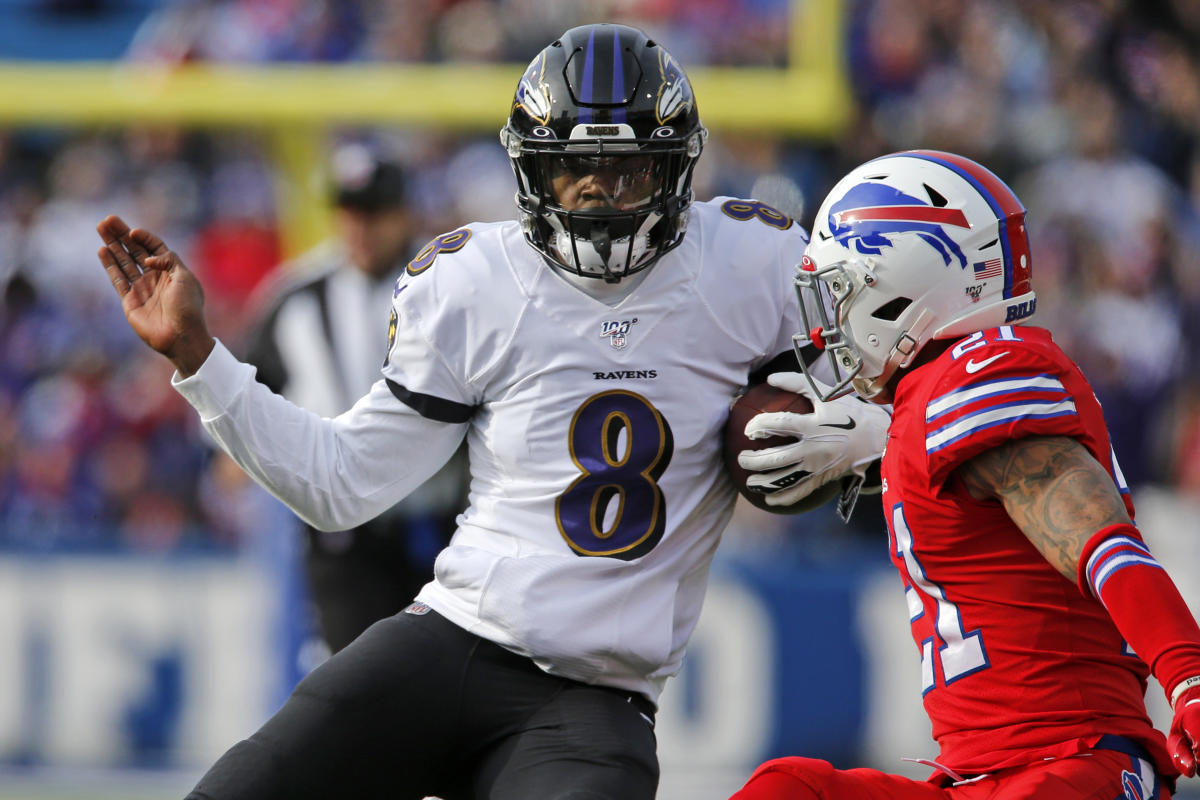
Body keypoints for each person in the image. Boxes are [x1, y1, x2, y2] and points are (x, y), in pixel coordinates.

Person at [95, 24, 890, 800]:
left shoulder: (753, 267)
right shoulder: (477, 281)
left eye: (625, 171)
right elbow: (338, 485)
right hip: (447, 644)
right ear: (529, 171)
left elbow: (891, 392)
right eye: (575, 171)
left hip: (594, 698)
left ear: (676, 168)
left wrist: (865, 433)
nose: (599, 198)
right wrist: (198, 355)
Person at [732, 149, 1200, 799]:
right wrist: (881, 442)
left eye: (840, 292)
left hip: (1072, 764)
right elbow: (957, 476)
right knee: (786, 788)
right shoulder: (930, 399)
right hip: (981, 777)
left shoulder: (982, 376)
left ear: (900, 284)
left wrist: (1188, 676)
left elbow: (1102, 542)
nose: (827, 323)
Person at [242, 142, 467, 654]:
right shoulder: (296, 296)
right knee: (352, 674)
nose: (360, 227)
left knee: (441, 678)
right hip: (339, 531)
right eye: (349, 211)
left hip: (439, 518)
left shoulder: (448, 286)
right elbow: (250, 391)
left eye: (375, 211)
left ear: (404, 212)